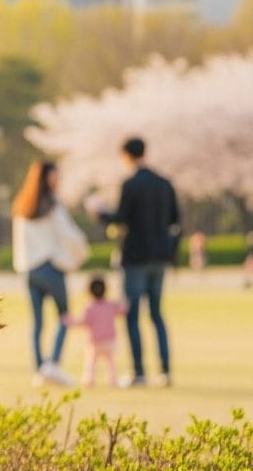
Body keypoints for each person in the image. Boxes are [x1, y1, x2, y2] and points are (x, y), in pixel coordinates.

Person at [94, 137, 179, 388]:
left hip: (135, 258)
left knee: (132, 315)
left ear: (126, 155)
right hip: (160, 258)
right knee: (156, 314)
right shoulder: (165, 184)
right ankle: (165, 370)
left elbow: (121, 218)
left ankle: (139, 372)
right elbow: (175, 219)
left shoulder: (130, 184)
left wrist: (100, 214)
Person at [11, 160, 87, 388]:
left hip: (29, 270)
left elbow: (18, 242)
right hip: (50, 268)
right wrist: (80, 254)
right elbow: (70, 236)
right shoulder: (52, 205)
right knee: (65, 316)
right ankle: (52, 364)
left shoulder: (22, 205)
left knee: (37, 322)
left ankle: (39, 369)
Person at [62, 276, 126, 388]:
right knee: (111, 362)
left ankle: (89, 380)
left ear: (89, 292)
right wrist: (123, 300)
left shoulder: (90, 308)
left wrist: (69, 321)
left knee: (91, 362)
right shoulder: (111, 305)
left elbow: (82, 322)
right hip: (110, 341)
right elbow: (123, 309)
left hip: (95, 342)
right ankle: (113, 380)